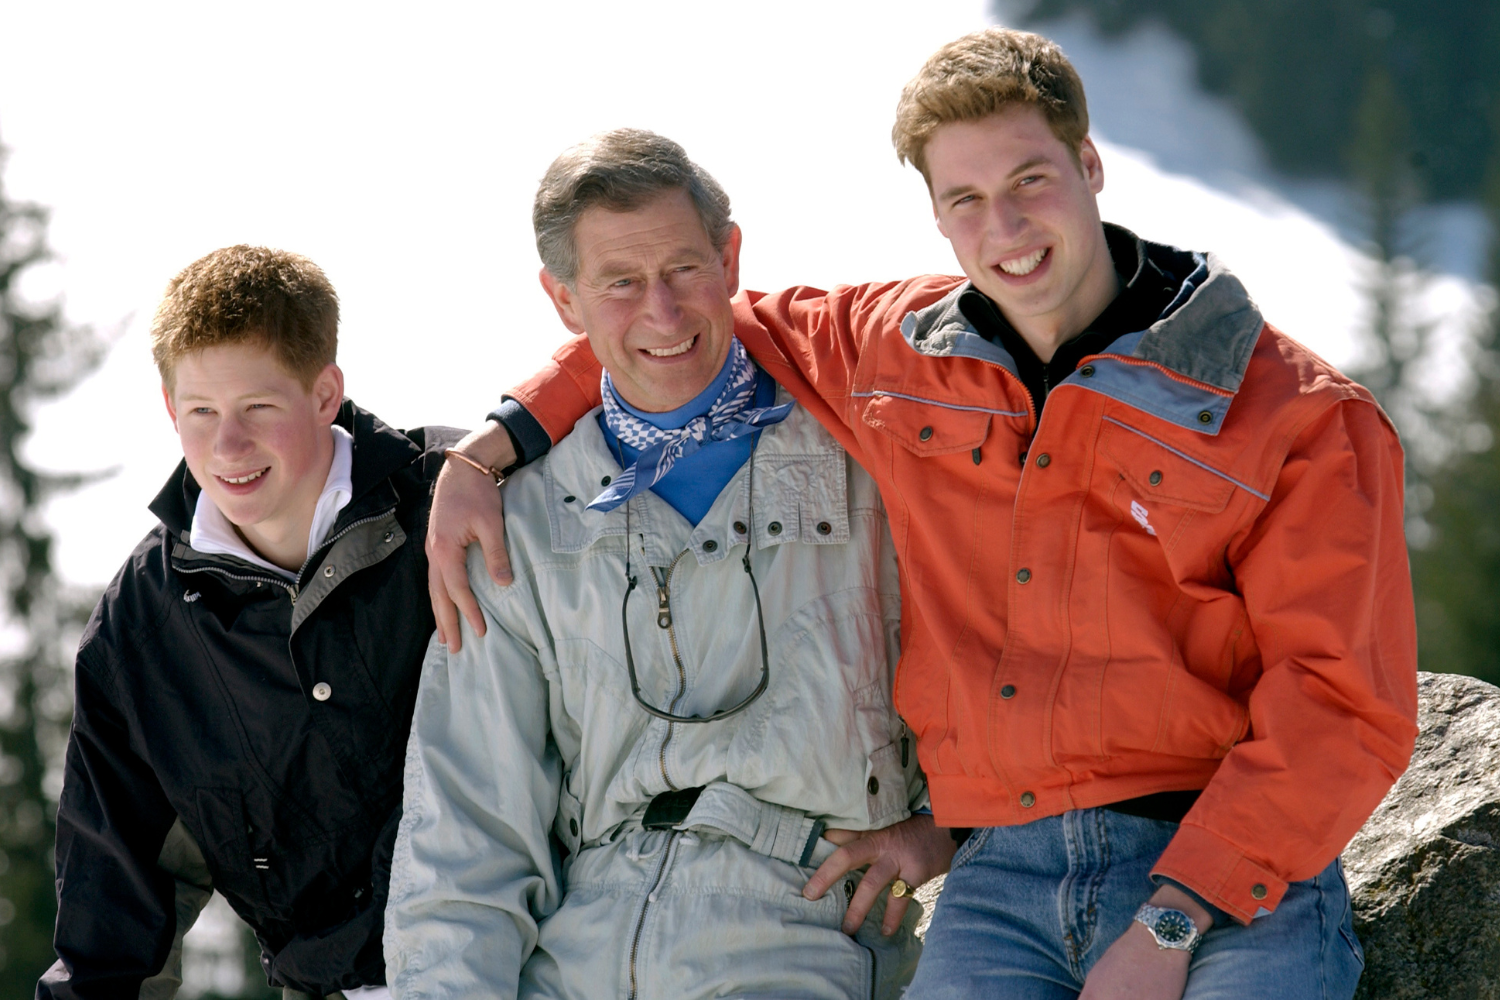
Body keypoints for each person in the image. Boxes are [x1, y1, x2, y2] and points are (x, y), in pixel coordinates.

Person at [425, 28, 1418, 1000]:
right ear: (939, 217)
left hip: (1223, 866)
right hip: (1001, 879)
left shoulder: (1296, 413)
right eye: (967, 200)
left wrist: (1172, 921)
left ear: (1089, 162)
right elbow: (679, 325)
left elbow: (1343, 706)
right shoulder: (893, 358)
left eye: (1031, 180)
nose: (1008, 229)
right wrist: (494, 445)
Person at [383, 129, 953, 1000]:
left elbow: (1013, 650)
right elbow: (469, 825)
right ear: (564, 300)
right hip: (579, 942)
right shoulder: (521, 519)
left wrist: (947, 827)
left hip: (807, 926)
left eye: (684, 269)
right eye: (620, 283)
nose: (662, 311)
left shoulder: (871, 455)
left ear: (729, 258)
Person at [40, 247, 461, 1000]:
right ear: (170, 409)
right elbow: (115, 910)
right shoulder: (142, 627)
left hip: (533, 968)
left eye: (258, 409)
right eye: (200, 413)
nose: (227, 447)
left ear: (325, 393)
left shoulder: (455, 500)